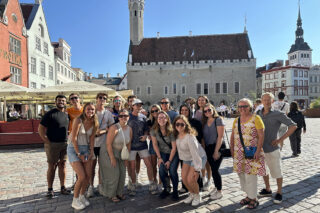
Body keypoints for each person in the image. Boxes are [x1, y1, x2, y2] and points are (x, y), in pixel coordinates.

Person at [257, 93, 297, 204]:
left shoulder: (277, 114)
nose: (266, 102)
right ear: (261, 101)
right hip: (260, 149)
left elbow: (293, 126)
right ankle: (268, 189)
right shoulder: (258, 114)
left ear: (272, 101)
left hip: (272, 148)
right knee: (264, 170)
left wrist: (280, 140)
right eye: (264, 100)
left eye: (268, 100)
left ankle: (279, 192)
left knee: (277, 172)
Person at [230, 98, 266, 209]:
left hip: (252, 151)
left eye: (245, 106)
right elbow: (232, 135)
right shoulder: (236, 120)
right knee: (241, 174)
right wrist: (232, 149)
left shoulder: (256, 118)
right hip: (238, 152)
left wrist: (258, 151)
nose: (242, 108)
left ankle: (254, 198)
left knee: (250, 175)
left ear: (250, 107)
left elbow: (261, 136)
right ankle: (248, 195)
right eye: (240, 106)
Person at [38, 95, 71, 198]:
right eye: (59, 100)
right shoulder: (50, 114)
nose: (61, 102)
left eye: (63, 101)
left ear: (66, 103)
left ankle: (62, 187)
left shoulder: (66, 114)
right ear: (55, 102)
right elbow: (40, 129)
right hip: (53, 144)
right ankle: (50, 189)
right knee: (52, 166)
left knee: (63, 165)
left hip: (64, 144)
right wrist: (47, 141)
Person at [67, 102, 97, 210]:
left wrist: (91, 151)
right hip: (74, 148)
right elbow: (74, 138)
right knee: (82, 176)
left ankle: (81, 196)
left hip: (86, 148)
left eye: (93, 110)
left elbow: (92, 138)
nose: (90, 111)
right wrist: (79, 153)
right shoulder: (78, 120)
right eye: (88, 109)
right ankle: (75, 200)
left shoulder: (94, 121)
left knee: (88, 176)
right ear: (84, 110)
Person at [99, 109, 132, 202]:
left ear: (128, 117)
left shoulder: (130, 129)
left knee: (122, 173)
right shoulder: (114, 128)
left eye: (125, 116)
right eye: (121, 116)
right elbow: (108, 144)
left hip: (121, 153)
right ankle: (112, 194)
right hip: (109, 152)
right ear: (118, 118)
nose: (123, 118)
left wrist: (127, 157)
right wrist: (112, 158)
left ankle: (119, 193)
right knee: (114, 174)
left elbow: (129, 144)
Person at [173, 115, 207, 206]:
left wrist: (197, 169)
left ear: (186, 125)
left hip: (198, 157)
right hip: (187, 158)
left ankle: (197, 195)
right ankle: (191, 193)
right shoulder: (176, 135)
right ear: (174, 125)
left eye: (182, 124)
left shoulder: (190, 137)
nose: (179, 126)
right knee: (184, 179)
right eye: (177, 124)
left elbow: (196, 154)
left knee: (190, 179)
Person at [128, 99, 157, 195]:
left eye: (140, 105)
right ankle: (133, 184)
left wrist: (145, 136)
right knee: (132, 167)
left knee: (148, 164)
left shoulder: (143, 117)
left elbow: (146, 129)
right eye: (137, 105)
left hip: (142, 145)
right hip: (131, 146)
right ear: (133, 106)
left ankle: (151, 183)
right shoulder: (128, 116)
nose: (139, 107)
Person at [87, 93, 114, 197]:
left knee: (102, 167)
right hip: (92, 144)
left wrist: (102, 131)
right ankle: (90, 187)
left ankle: (100, 186)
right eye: (100, 98)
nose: (102, 99)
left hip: (103, 143)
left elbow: (111, 127)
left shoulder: (108, 113)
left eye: (104, 98)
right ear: (96, 99)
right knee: (91, 167)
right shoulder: (91, 111)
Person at [151, 111, 179, 200]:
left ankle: (175, 190)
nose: (161, 119)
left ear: (167, 119)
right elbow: (155, 144)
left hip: (173, 153)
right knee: (162, 170)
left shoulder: (171, 131)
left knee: (172, 171)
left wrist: (169, 161)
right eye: (159, 118)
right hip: (162, 153)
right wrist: (159, 158)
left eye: (163, 117)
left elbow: (174, 148)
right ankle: (167, 189)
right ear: (157, 119)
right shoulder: (153, 130)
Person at [202, 103, 225, 200]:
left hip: (217, 147)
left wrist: (216, 151)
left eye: (209, 110)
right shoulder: (205, 121)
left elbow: (220, 137)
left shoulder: (218, 119)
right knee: (212, 168)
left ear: (213, 109)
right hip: (208, 148)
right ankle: (216, 187)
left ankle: (219, 191)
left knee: (215, 170)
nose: (207, 112)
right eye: (205, 111)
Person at [179, 104, 203, 192]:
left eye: (186, 110)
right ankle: (185, 186)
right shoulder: (179, 122)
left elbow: (200, 137)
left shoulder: (196, 122)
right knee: (184, 168)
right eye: (182, 110)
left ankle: (198, 186)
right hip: (184, 150)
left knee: (195, 168)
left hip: (194, 149)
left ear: (189, 111)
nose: (184, 112)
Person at [193, 96, 212, 190]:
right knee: (202, 159)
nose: (200, 101)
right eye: (199, 100)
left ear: (206, 101)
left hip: (208, 137)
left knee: (208, 161)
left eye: (202, 100)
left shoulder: (208, 110)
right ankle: (203, 178)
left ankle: (209, 180)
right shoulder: (196, 112)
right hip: (200, 138)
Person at [147, 104, 162, 185]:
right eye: (152, 111)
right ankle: (154, 180)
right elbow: (147, 132)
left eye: (156, 110)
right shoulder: (149, 122)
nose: (155, 112)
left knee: (161, 165)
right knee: (153, 164)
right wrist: (148, 135)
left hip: (163, 145)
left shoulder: (163, 119)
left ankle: (161, 181)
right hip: (153, 144)